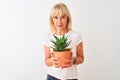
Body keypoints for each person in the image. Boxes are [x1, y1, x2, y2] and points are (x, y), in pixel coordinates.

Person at [44, 2, 84, 80]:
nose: (59, 21)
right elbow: (46, 61)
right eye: (55, 17)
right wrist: (52, 61)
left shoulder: (76, 36)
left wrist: (73, 60)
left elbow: (81, 58)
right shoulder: (49, 37)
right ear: (52, 19)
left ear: (67, 18)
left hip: (71, 78)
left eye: (62, 17)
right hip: (52, 77)